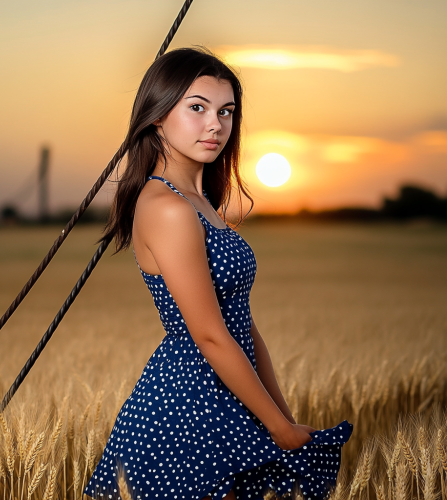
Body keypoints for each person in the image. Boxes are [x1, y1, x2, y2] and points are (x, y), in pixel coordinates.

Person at [84, 47, 352, 500]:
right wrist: (276, 426)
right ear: (157, 115)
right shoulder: (167, 207)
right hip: (184, 413)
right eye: (197, 108)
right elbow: (208, 334)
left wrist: (281, 419)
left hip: (225, 399)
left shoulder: (201, 202)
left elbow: (242, 325)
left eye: (226, 111)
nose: (216, 124)